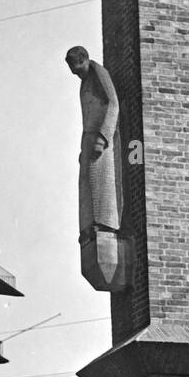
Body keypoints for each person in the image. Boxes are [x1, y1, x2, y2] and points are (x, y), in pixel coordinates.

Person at [66, 45, 121, 240]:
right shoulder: (85, 82)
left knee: (102, 183)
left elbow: (113, 103)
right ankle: (89, 227)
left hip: (100, 139)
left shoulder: (99, 73)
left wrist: (103, 136)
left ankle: (105, 225)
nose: (76, 74)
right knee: (86, 183)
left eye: (78, 69)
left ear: (84, 60)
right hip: (88, 137)